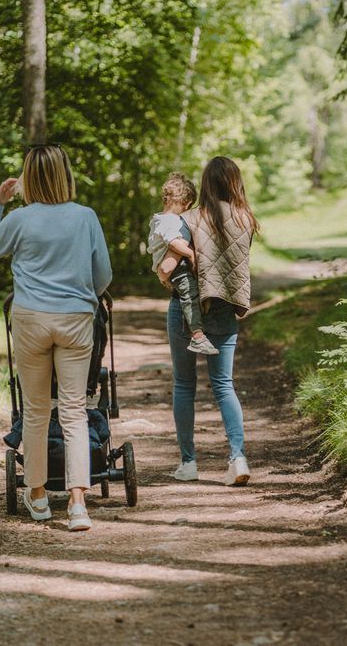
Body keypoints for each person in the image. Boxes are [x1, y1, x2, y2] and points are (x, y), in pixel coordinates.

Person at [0, 144, 112, 532]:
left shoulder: (20, 219)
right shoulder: (85, 217)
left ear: (28, 179)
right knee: (73, 411)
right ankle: (78, 504)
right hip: (75, 320)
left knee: (36, 410)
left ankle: (37, 495)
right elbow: (103, 277)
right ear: (65, 175)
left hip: (31, 320)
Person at [169, 156, 258, 487]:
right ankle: (237, 457)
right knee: (224, 385)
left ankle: (189, 463)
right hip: (224, 308)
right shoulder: (246, 220)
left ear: (205, 184)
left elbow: (169, 268)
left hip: (187, 308)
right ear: (235, 182)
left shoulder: (188, 219)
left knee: (184, 384)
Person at [147, 173, 218, 355]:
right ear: (186, 203)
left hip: (170, 268)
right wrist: (191, 254)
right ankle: (198, 336)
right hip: (176, 269)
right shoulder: (171, 221)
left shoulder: (159, 219)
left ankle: (197, 333)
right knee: (190, 294)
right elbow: (173, 243)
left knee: (189, 293)